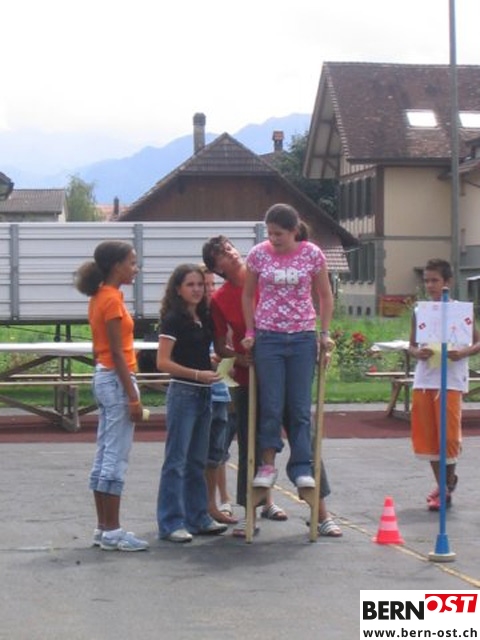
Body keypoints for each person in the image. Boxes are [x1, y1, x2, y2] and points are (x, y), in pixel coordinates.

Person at [241, 203, 342, 536]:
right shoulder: (258, 254)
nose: (273, 239)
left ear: (294, 231)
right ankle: (267, 465)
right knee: (271, 405)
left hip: (301, 337)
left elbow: (325, 295)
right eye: (269, 233)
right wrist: (251, 331)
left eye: (279, 234)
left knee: (299, 409)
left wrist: (324, 333)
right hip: (269, 336)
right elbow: (248, 294)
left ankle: (301, 468)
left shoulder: (312, 254)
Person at [75, 240, 149, 551]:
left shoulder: (99, 297)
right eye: (131, 263)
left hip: (104, 376)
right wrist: (133, 397)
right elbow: (117, 353)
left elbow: (99, 349)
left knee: (105, 452)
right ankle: (113, 531)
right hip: (117, 379)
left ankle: (103, 528)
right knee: (115, 456)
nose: (136, 268)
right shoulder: (112, 301)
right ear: (116, 266)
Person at [156, 264, 228, 542]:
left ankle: (198, 516)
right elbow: (164, 362)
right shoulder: (174, 319)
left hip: (204, 393)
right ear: (178, 289)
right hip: (184, 393)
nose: (198, 289)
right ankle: (170, 522)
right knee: (176, 460)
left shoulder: (204, 317)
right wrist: (197, 373)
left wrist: (211, 361)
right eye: (191, 285)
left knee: (197, 460)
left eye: (202, 284)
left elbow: (199, 350)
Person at [408, 258, 480, 511]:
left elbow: (477, 342)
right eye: (426, 281)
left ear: (447, 282)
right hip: (425, 379)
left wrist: (464, 352)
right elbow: (411, 344)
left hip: (450, 380)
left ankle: (447, 481)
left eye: (435, 280)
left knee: (448, 435)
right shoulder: (420, 311)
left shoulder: (461, 311)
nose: (430, 285)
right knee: (428, 436)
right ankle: (443, 486)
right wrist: (417, 353)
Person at [202, 267, 238, 525]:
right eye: (203, 285)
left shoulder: (220, 310)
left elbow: (228, 348)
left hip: (225, 388)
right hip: (204, 390)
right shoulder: (195, 316)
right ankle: (213, 502)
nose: (207, 290)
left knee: (219, 449)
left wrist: (229, 358)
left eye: (211, 284)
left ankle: (222, 501)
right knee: (208, 452)